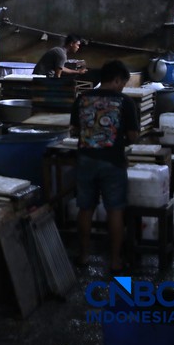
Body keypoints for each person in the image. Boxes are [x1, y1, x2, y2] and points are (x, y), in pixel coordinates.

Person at [70, 60, 139, 274]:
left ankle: (83, 255)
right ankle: (116, 260)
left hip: (85, 160)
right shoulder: (125, 102)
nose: (123, 87)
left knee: (85, 208)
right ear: (117, 79)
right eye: (123, 83)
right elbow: (133, 136)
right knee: (115, 210)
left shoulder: (82, 99)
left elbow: (73, 130)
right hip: (113, 162)